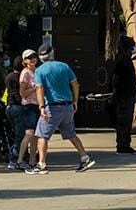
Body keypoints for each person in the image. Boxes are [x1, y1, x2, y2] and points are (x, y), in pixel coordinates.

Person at [28, 43, 95, 175]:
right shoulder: (64, 66)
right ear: (52, 53)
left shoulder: (39, 71)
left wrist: (41, 107)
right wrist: (75, 101)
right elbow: (75, 84)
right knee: (71, 134)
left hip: (52, 107)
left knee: (42, 135)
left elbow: (39, 89)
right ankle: (85, 157)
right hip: (67, 106)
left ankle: (41, 164)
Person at [112, 34, 136, 155]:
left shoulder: (126, 59)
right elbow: (116, 80)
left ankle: (126, 144)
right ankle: (122, 145)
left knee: (127, 121)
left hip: (128, 95)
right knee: (124, 121)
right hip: (123, 96)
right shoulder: (123, 61)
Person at [13, 49, 39, 170]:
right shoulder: (25, 73)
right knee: (29, 133)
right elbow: (22, 93)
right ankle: (19, 160)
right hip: (29, 105)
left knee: (35, 135)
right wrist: (35, 88)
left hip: (38, 105)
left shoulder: (38, 71)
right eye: (29, 57)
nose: (33, 59)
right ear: (25, 61)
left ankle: (32, 160)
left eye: (34, 56)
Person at [5, 55, 26, 170]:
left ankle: (21, 156)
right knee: (20, 135)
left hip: (9, 107)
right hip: (18, 107)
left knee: (17, 134)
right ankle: (14, 159)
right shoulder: (21, 77)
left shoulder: (9, 76)